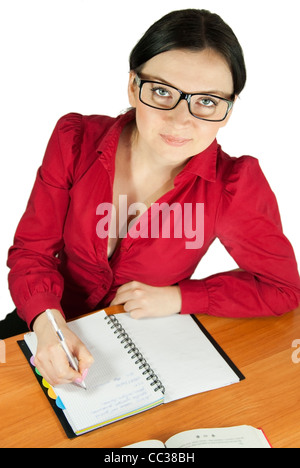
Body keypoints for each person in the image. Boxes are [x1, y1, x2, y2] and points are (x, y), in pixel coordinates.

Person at [6, 9, 300, 386]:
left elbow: (282, 288)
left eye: (207, 101)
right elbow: (33, 252)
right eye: (162, 92)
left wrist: (180, 299)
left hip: (138, 346)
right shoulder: (74, 140)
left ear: (228, 109)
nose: (180, 120)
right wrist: (49, 325)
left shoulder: (234, 185)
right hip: (42, 320)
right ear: (133, 86)